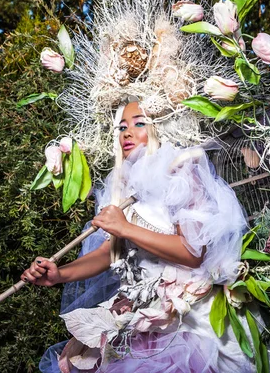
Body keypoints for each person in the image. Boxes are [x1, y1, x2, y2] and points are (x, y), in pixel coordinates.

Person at [22, 101, 253, 372]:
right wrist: (59, 274)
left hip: (187, 319)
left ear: (161, 126)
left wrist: (125, 227)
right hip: (138, 312)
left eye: (139, 123)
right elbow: (110, 253)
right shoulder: (122, 184)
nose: (127, 133)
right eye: (122, 127)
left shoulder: (181, 172)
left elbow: (192, 254)